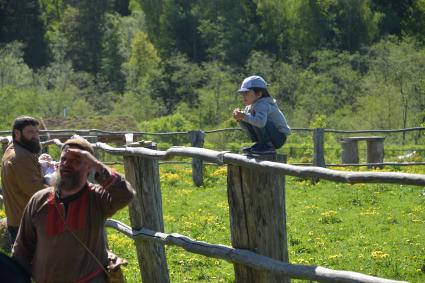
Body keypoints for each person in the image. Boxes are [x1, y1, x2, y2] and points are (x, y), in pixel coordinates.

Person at [12, 135, 135, 282]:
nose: (66, 164)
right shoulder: (39, 200)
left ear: (89, 167)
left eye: (76, 161)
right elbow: (22, 249)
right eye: (64, 159)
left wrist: (98, 165)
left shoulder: (98, 198)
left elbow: (125, 195)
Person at [1, 116, 47, 245]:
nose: (35, 136)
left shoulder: (13, 150)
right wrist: (60, 189)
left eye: (37, 132)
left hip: (18, 219)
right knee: (33, 263)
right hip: (26, 222)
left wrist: (41, 166)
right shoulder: (20, 156)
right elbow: (33, 189)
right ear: (17, 133)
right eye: (30, 132)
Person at [232, 75, 291, 155]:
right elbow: (246, 128)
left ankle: (267, 146)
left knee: (256, 119)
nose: (243, 96)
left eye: (246, 93)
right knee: (250, 118)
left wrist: (244, 116)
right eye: (242, 93)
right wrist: (240, 119)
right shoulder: (250, 106)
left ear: (258, 94)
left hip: (279, 138)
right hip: (272, 137)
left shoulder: (262, 104)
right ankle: (261, 144)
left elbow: (260, 123)